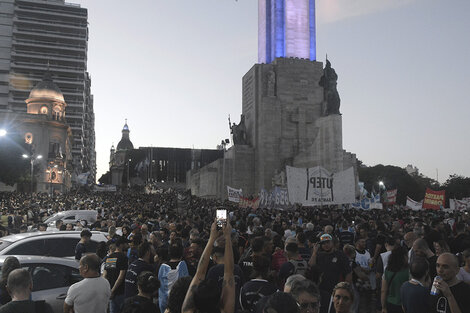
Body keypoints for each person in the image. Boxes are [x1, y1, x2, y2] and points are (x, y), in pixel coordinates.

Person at [182, 219, 235, 313]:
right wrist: (227, 236)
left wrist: (212, 238)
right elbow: (228, 273)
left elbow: (199, 273)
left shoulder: (187, 310)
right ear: (219, 301)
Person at [309, 233, 351, 313]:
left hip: (335, 291)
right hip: (321, 291)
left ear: (332, 242)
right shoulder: (319, 255)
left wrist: (346, 290)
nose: (326, 245)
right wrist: (314, 252)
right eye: (323, 243)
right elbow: (311, 266)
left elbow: (348, 273)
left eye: (328, 242)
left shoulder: (340, 255)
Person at [158, 241, 189, 312]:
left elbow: (160, 287)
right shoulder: (185, 266)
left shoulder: (162, 268)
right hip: (181, 305)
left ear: (169, 253)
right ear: (182, 253)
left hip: (164, 306)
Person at [103, 237, 128, 313]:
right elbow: (121, 276)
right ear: (121, 245)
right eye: (125, 244)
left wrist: (109, 290)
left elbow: (105, 275)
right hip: (120, 291)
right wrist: (113, 290)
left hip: (111, 292)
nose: (126, 245)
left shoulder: (110, 257)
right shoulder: (123, 257)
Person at [381, 246, 409, 313]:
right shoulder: (409, 270)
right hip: (404, 305)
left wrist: (383, 307)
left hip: (390, 303)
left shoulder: (387, 270)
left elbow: (383, 291)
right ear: (404, 257)